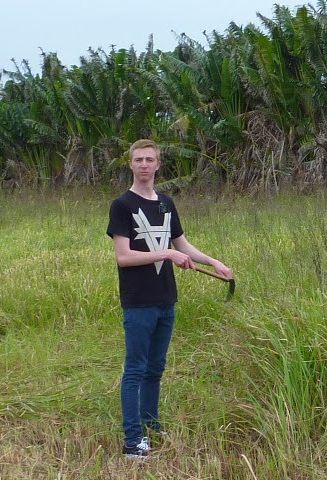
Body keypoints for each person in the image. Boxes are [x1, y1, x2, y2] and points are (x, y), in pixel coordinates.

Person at [107, 139, 233, 459]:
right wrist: (166, 254)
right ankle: (133, 441)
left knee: (156, 368)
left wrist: (213, 262)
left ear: (158, 165)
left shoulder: (166, 203)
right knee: (135, 369)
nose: (144, 165)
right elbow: (124, 257)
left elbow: (182, 244)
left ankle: (151, 425)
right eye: (138, 159)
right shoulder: (122, 205)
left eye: (149, 159)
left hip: (166, 300)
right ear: (131, 164)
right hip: (138, 301)